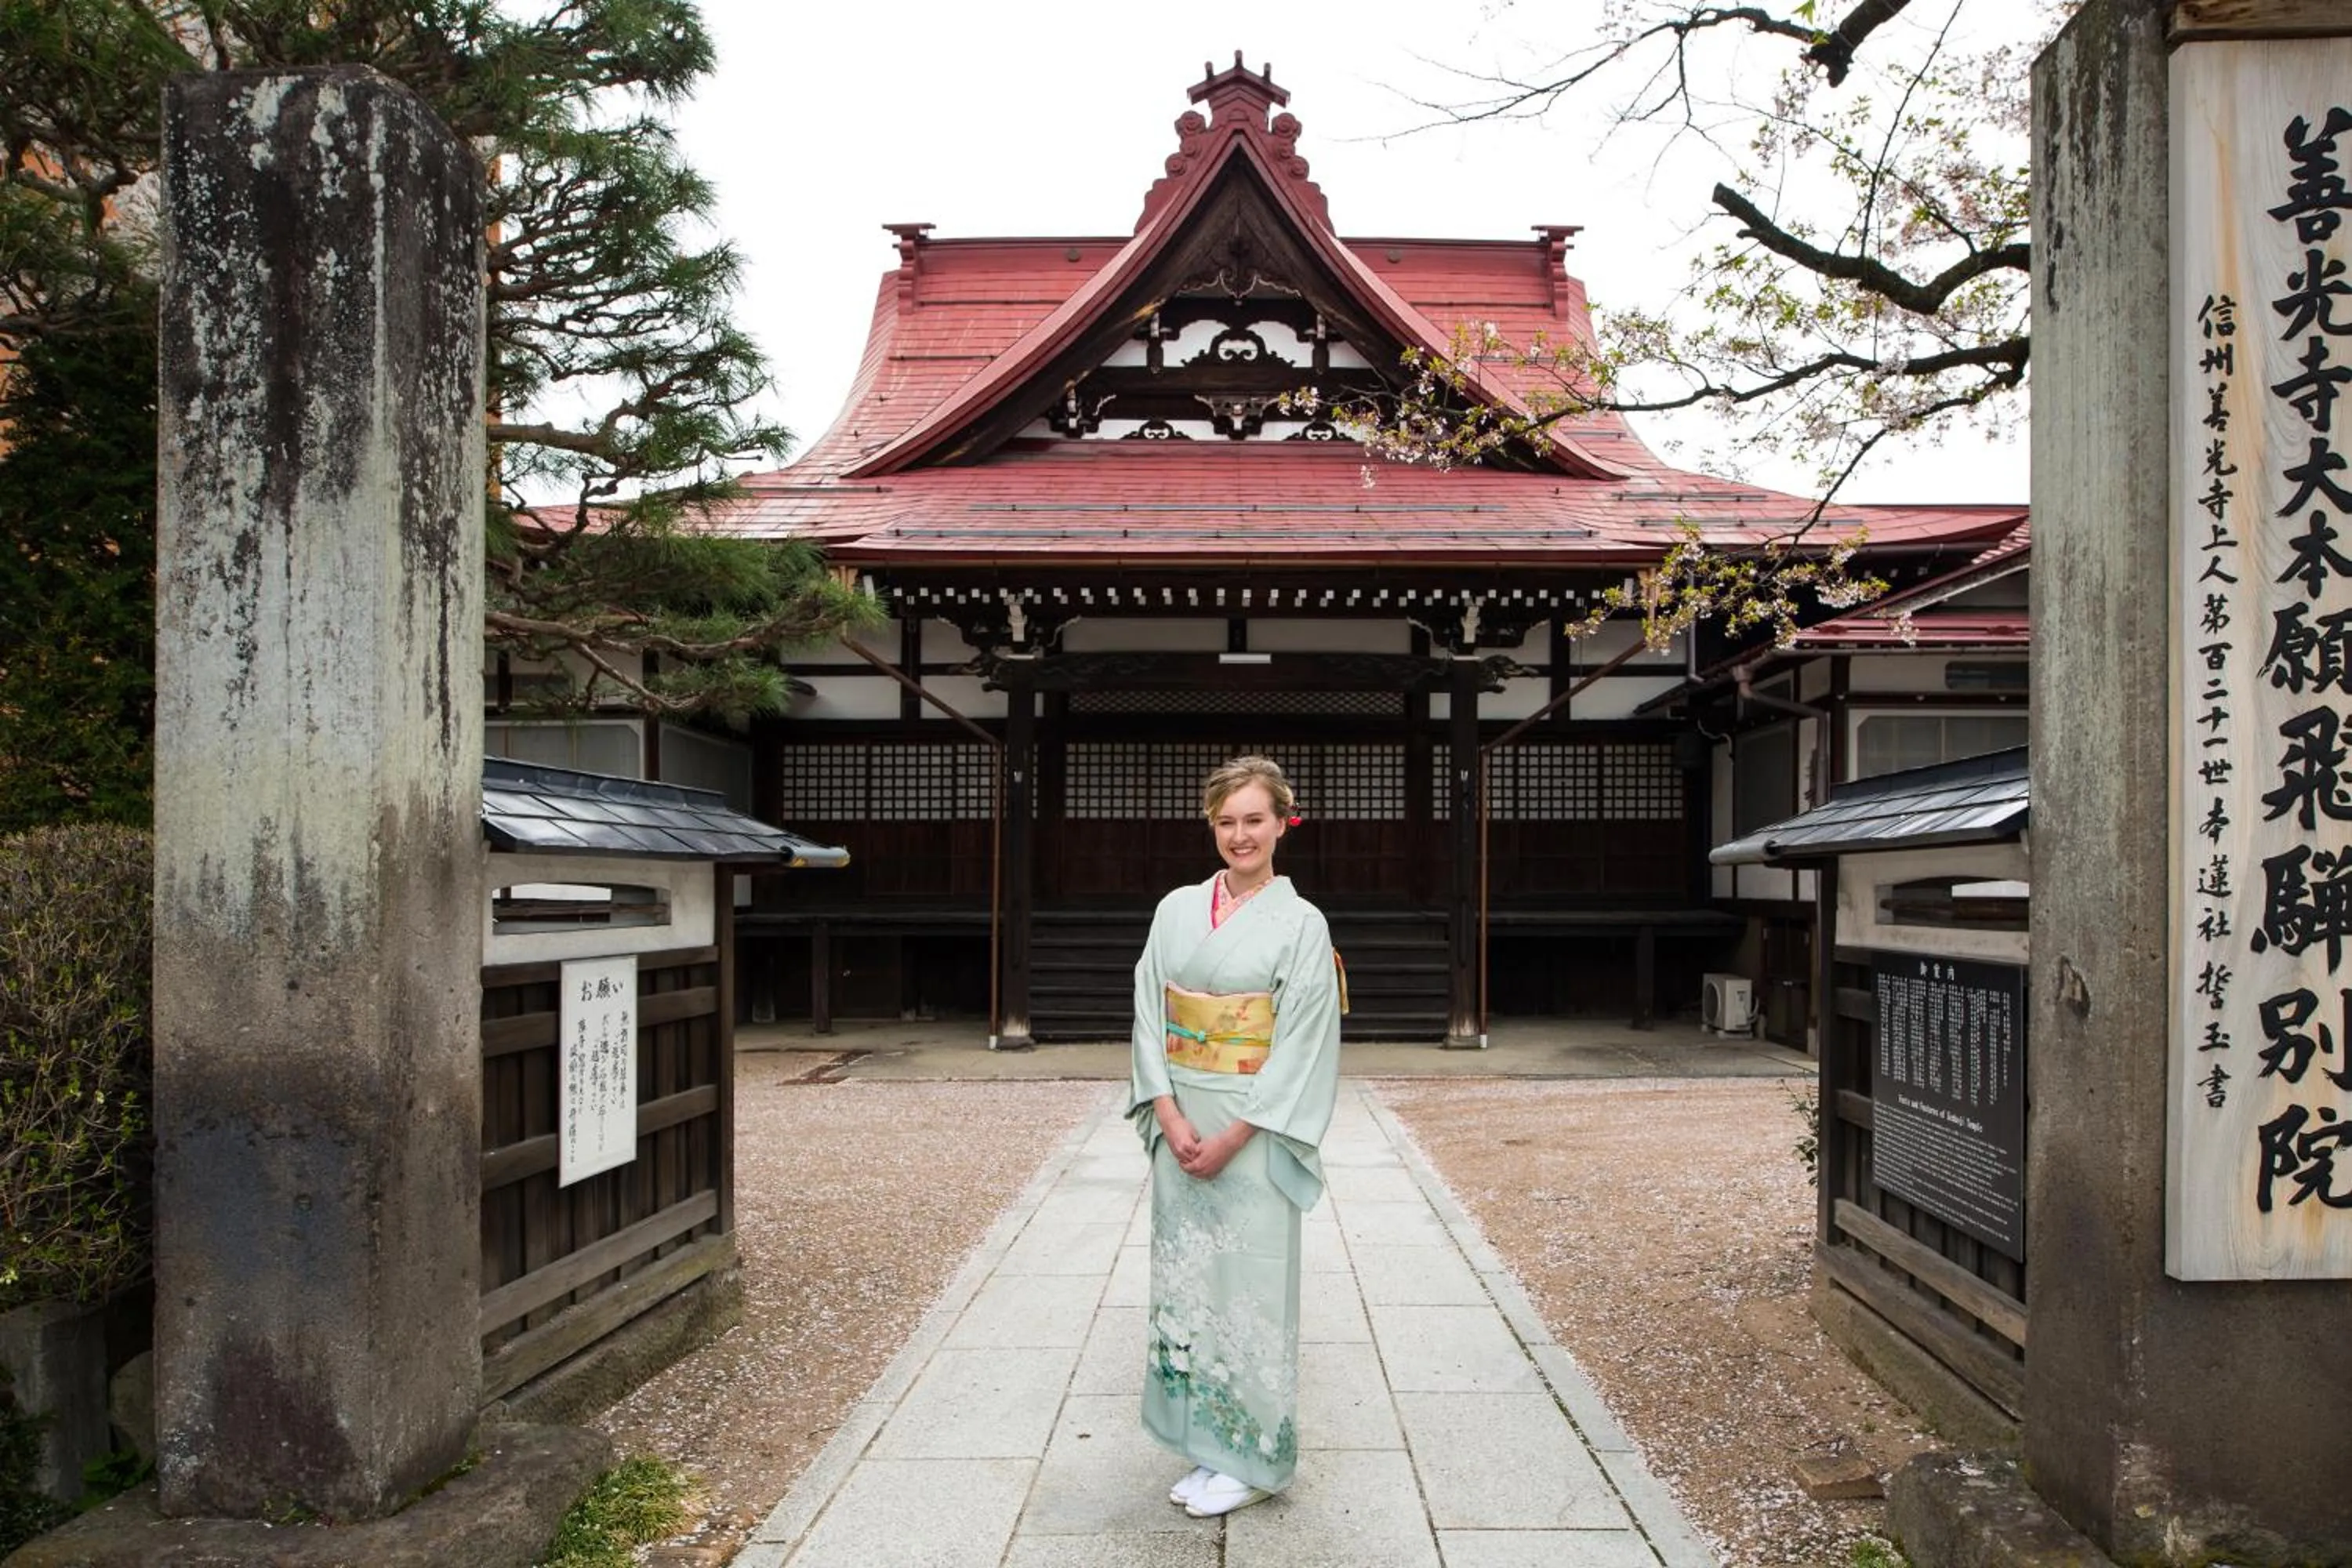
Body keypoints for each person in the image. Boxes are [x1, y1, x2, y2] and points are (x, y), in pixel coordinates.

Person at [1127, 754, 1345, 1519]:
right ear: (1211, 825)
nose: (1240, 834)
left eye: (1255, 819)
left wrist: (1234, 1133)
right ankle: (1205, 1442)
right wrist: (1170, 1114)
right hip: (1183, 1115)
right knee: (1188, 1284)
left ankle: (1252, 1455)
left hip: (1252, 1127)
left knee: (1250, 1287)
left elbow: (1306, 1042)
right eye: (1226, 820)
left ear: (1285, 821)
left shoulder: (1302, 923)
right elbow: (1151, 1011)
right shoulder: (1175, 908)